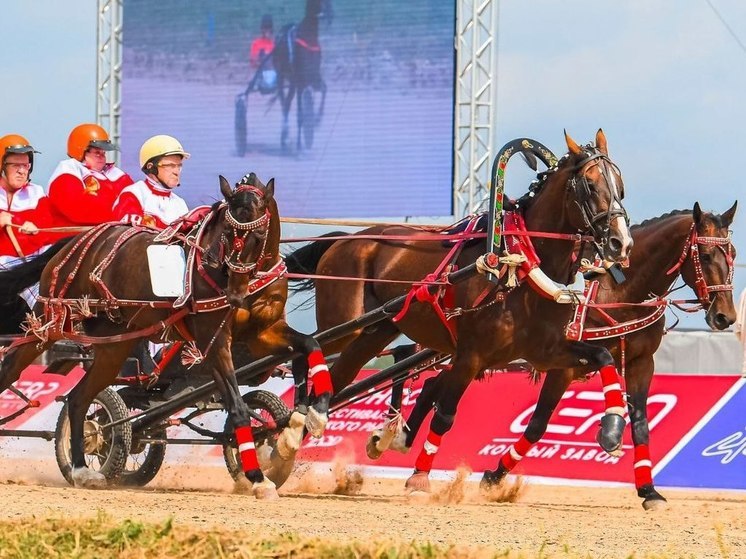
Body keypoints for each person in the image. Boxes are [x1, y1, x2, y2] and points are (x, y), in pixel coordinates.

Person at [47, 123, 133, 234]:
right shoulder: (68, 170)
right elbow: (78, 209)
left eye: (104, 153)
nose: (102, 157)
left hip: (111, 235)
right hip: (71, 239)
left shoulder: (115, 173)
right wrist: (123, 214)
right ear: (81, 151)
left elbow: (134, 200)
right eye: (97, 153)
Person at [112, 135, 190, 229]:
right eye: (170, 165)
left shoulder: (180, 204)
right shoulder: (133, 194)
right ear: (151, 167)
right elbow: (130, 238)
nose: (176, 171)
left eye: (179, 166)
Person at [0, 134, 52, 262]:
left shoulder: (36, 193)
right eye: (16, 165)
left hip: (27, 272)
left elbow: (49, 226)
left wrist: (37, 229)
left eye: (26, 166)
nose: (22, 171)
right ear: (2, 166)